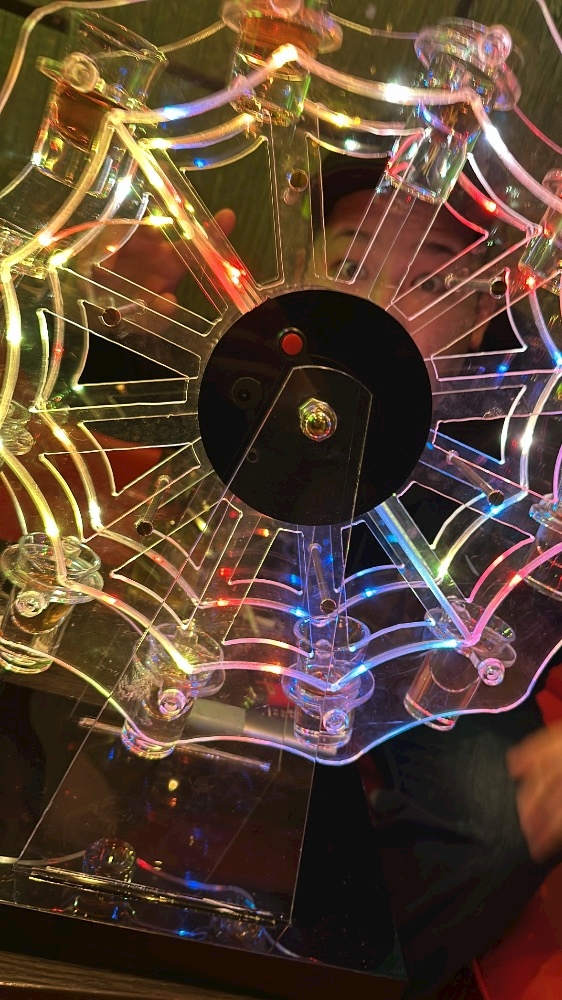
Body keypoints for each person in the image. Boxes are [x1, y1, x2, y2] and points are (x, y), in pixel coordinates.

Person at [94, 155, 562, 997]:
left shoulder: (512, 440)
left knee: (495, 827)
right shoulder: (236, 374)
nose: (379, 301)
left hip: (427, 613)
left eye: (431, 283)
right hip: (234, 583)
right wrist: (109, 312)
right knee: (146, 746)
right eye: (349, 264)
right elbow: (110, 409)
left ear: (482, 322)